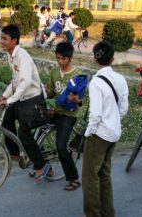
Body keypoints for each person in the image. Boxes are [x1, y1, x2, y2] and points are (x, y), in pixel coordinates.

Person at [0, 24, 52, 183]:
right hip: (23, 98)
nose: (1, 41)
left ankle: (41, 165)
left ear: (14, 41)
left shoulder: (23, 56)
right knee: (7, 118)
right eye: (1, 38)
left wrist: (10, 100)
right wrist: (4, 96)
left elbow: (25, 82)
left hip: (33, 98)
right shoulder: (11, 55)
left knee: (23, 131)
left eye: (5, 39)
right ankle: (15, 154)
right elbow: (15, 82)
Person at [82, 41, 129, 217]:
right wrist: (114, 121)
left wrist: (89, 132)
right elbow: (123, 108)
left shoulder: (95, 82)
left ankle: (92, 213)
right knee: (104, 174)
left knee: (90, 177)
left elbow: (95, 114)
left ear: (96, 58)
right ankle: (108, 213)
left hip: (99, 135)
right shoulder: (120, 79)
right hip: (113, 133)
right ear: (112, 58)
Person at [46, 42, 85, 191]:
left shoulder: (78, 76)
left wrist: (77, 101)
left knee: (61, 147)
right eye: (58, 58)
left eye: (63, 59)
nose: (60, 62)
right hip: (55, 110)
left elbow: (83, 100)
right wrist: (46, 90)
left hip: (69, 115)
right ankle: (42, 165)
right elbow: (51, 93)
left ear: (70, 58)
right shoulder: (54, 72)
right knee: (32, 125)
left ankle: (73, 178)